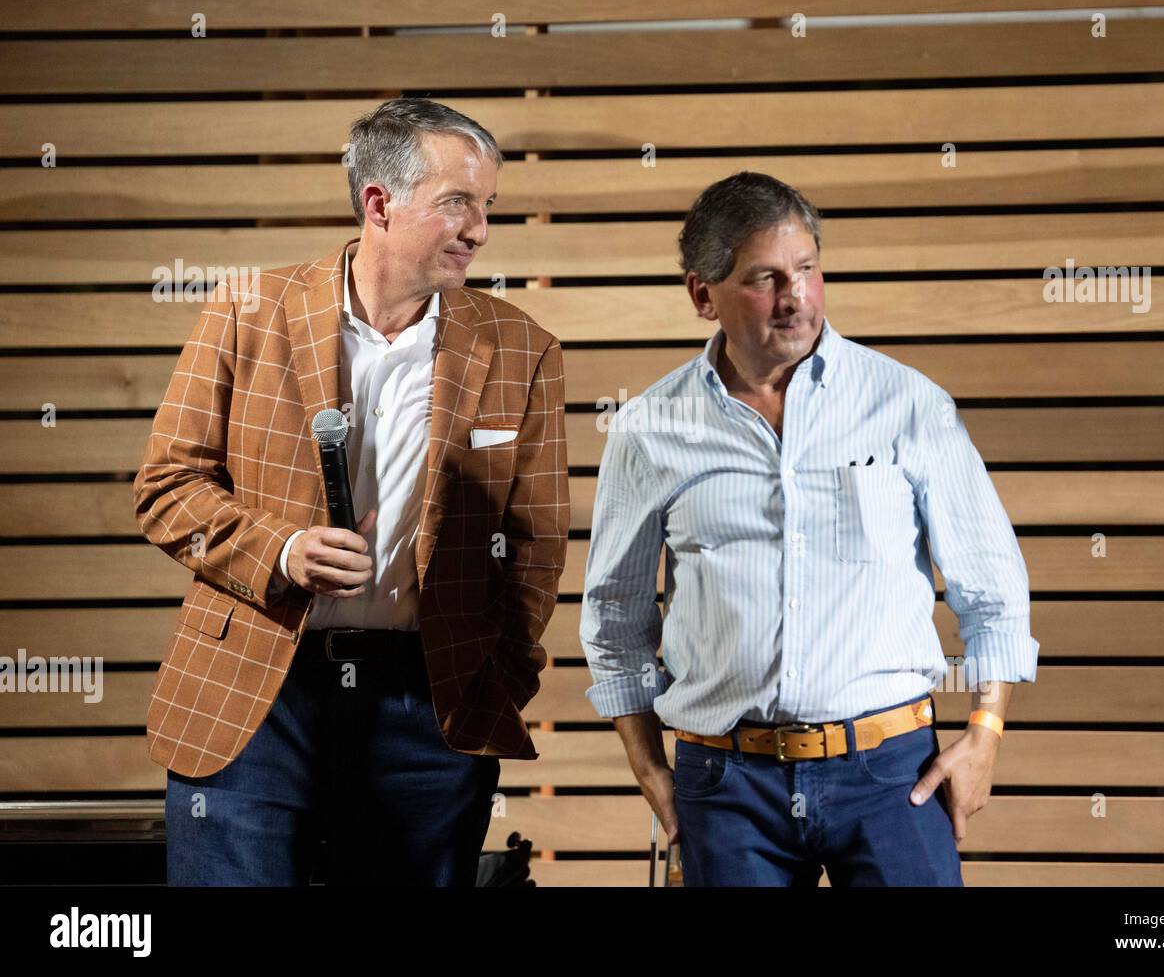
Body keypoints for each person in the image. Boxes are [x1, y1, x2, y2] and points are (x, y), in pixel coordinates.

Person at [133, 98, 569, 886]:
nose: (479, 229)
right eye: (457, 203)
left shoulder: (523, 348)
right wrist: (286, 550)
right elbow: (167, 487)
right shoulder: (246, 310)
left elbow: (534, 546)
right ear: (380, 203)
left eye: (487, 206)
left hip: (426, 711)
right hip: (255, 700)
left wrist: (498, 675)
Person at [578, 171, 1037, 886]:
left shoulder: (906, 403)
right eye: (765, 278)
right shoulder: (649, 429)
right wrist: (650, 769)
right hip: (724, 784)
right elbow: (614, 613)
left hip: (892, 773)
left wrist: (987, 733)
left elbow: (992, 585)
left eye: (807, 269)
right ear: (703, 295)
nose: (796, 297)